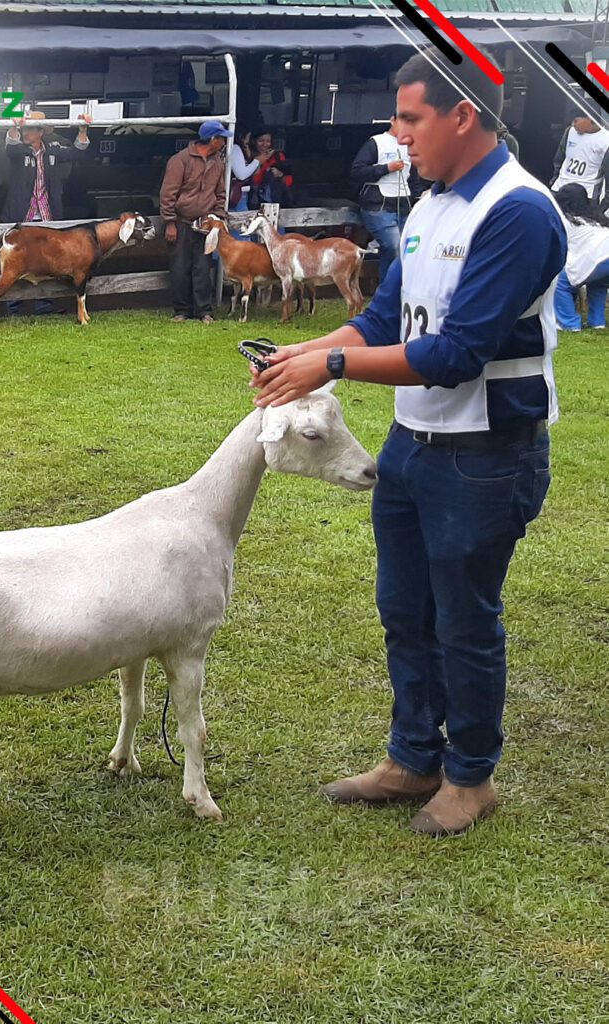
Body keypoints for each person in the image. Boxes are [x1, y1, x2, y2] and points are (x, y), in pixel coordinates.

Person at [250, 47, 566, 836]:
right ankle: (412, 758)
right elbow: (382, 319)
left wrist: (329, 364)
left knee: (463, 620)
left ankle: (470, 777)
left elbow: (457, 352)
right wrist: (302, 353)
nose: (397, 135)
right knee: (404, 609)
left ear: (463, 116)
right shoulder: (429, 205)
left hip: (487, 452)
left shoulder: (517, 211)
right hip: (412, 445)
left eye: (409, 119)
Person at [2, 109, 91, 316]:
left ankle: (45, 305)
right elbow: (11, 147)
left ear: (41, 132)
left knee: (48, 260)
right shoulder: (19, 151)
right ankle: (13, 306)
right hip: (21, 215)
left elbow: (77, 151)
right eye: (25, 129)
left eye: (31, 129)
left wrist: (83, 129)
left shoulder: (52, 150)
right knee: (17, 260)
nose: (26, 133)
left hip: (46, 215)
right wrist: (14, 126)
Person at [159, 118, 231, 324]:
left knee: (203, 267)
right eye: (222, 139)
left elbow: (220, 193)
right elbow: (168, 193)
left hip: (205, 223)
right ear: (213, 139)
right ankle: (182, 310)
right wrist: (170, 222)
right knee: (180, 267)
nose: (224, 143)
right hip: (181, 222)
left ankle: (203, 310)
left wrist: (218, 217)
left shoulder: (217, 163)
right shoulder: (180, 160)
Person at [350, 115, 423, 283]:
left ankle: (399, 286)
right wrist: (386, 168)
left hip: (403, 204)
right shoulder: (376, 142)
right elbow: (357, 171)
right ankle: (387, 288)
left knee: (407, 249)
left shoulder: (411, 145)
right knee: (393, 246)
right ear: (392, 120)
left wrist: (419, 197)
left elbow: (413, 177)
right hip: (378, 205)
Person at [553, 182, 609, 331]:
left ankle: (569, 323)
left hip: (599, 257)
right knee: (597, 283)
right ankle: (597, 322)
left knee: (559, 281)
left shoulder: (564, 219)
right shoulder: (594, 218)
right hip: (604, 254)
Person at [550, 112, 609, 207]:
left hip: (587, 195)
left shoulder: (606, 140)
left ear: (589, 119)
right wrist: (554, 180)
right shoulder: (570, 131)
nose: (573, 124)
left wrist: (602, 207)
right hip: (559, 188)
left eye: (575, 121)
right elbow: (559, 159)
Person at [248, 131, 293, 209]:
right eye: (261, 141)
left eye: (268, 141)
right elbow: (254, 180)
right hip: (255, 200)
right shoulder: (249, 156)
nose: (265, 144)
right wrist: (262, 160)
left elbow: (289, 181)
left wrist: (280, 175)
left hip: (276, 200)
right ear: (254, 141)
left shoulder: (278, 156)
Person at [229, 128, 260, 212]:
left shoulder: (243, 150)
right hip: (237, 194)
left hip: (243, 193)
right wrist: (257, 161)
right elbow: (241, 175)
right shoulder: (235, 148)